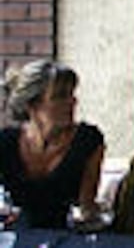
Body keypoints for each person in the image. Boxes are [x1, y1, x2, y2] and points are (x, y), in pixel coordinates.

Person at [0, 59, 105, 229]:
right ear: (32, 105)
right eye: (60, 96)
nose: (72, 102)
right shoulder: (6, 143)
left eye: (71, 94)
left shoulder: (87, 141)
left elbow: (86, 206)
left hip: (66, 235)